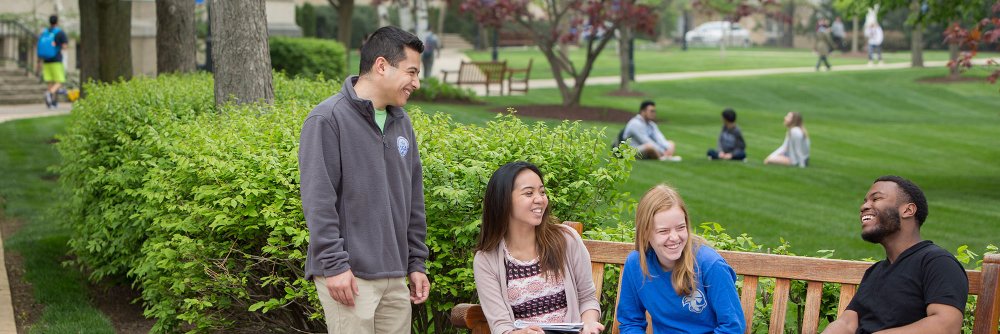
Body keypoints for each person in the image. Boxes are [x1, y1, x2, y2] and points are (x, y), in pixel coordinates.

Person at [298, 26, 429, 334]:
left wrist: (416, 263)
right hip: (349, 276)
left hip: (395, 276)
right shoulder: (327, 119)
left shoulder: (402, 123)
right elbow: (318, 201)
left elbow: (413, 200)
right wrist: (335, 266)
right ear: (381, 65)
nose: (416, 82)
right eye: (411, 72)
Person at [821, 176, 968, 334]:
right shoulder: (875, 272)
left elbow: (946, 326)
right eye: (865, 201)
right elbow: (847, 323)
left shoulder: (937, 262)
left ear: (908, 210)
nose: (864, 206)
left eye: (876, 198)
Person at [473, 162, 605, 334]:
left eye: (542, 192)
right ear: (503, 201)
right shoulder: (486, 260)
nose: (540, 199)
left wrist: (588, 324)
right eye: (529, 193)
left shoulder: (566, 239)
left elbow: (587, 298)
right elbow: (501, 327)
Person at [617, 184, 746, 334]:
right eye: (663, 231)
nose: (674, 237)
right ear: (645, 233)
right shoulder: (636, 264)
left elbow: (733, 326)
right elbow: (630, 321)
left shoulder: (710, 265)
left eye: (680, 227)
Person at [38, 15, 68, 109]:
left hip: (46, 61)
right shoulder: (60, 33)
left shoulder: (44, 33)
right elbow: (64, 46)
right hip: (56, 60)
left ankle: (51, 103)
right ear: (57, 22)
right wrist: (58, 46)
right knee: (60, 81)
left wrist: (38, 62)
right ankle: (49, 93)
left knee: (50, 82)